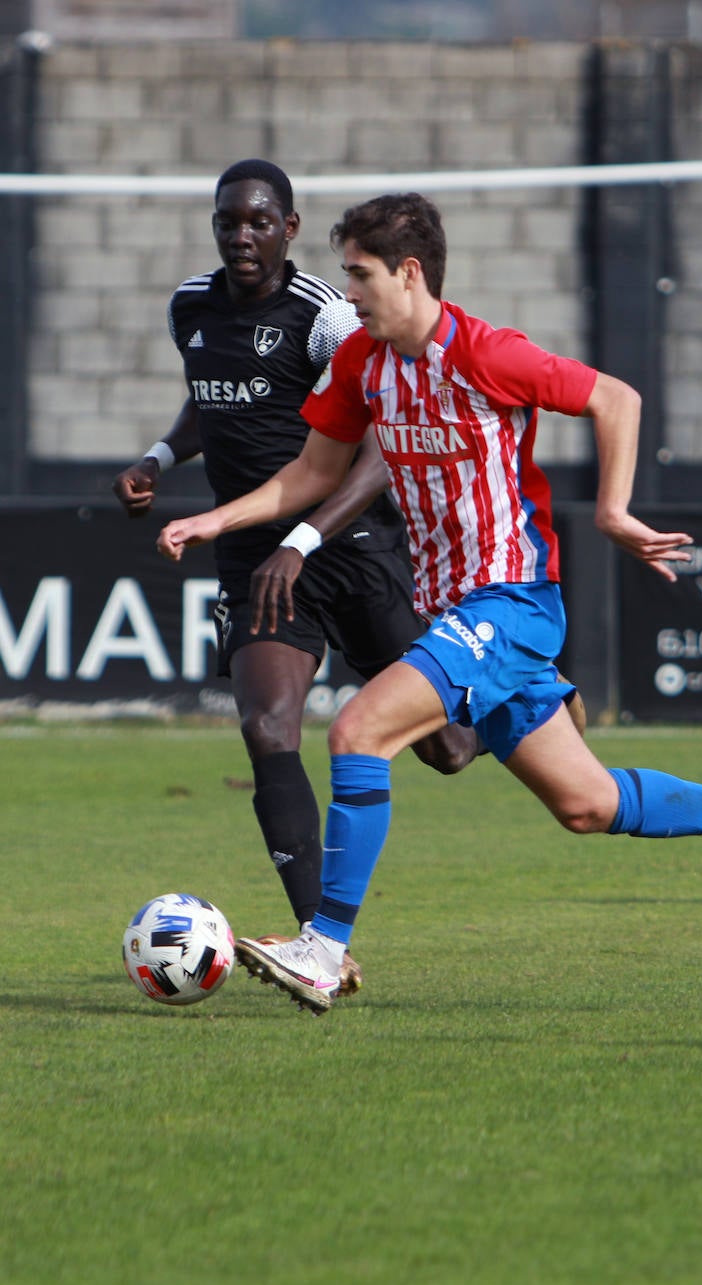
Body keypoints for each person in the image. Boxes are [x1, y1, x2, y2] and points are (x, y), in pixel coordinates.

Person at [157, 191, 702, 1017]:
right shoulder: (362, 363)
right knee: (588, 806)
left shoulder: (487, 352)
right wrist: (214, 518)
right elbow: (312, 473)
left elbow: (615, 399)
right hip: (457, 610)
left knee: (357, 731)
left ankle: (323, 948)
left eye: (361, 275)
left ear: (410, 274)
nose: (350, 294)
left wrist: (613, 511)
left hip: (510, 600)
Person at [113, 162, 482, 998]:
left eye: (257, 222)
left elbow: (384, 445)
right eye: (226, 222)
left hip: (351, 550)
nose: (240, 236)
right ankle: (325, 949)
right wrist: (160, 457)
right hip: (254, 559)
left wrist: (309, 535)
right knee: (268, 727)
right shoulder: (191, 306)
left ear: (288, 226)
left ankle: (525, 691)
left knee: (448, 750)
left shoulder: (323, 317)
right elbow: (209, 402)